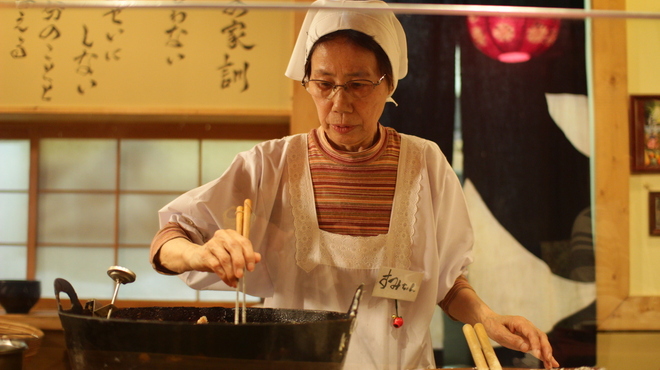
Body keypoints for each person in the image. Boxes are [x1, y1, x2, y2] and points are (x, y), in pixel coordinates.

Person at [149, 0, 559, 369]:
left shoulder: (426, 164)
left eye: (359, 84)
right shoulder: (270, 165)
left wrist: (488, 318)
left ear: (389, 84)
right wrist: (201, 254)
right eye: (324, 84)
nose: (340, 103)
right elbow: (168, 240)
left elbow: (448, 285)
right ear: (308, 82)